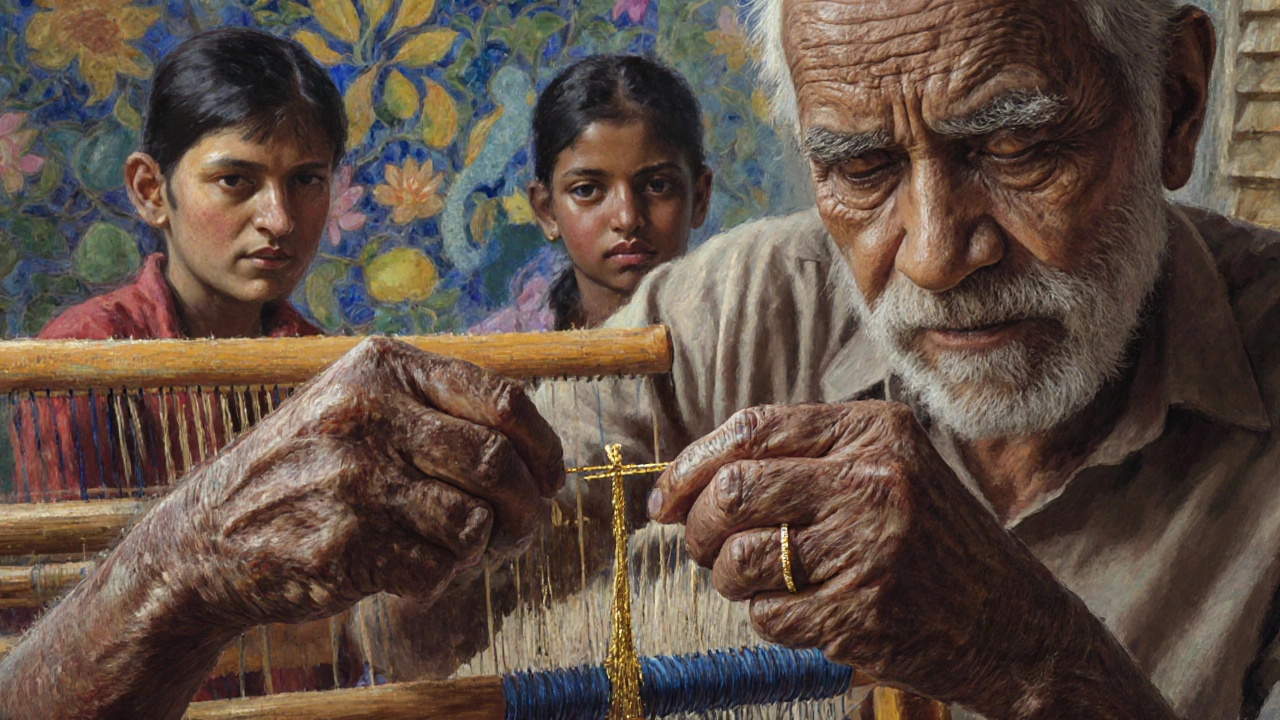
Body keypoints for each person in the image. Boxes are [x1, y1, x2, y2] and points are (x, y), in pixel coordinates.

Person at [6, 2, 1280, 720]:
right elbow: (413, 626)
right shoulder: (713, 320)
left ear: (1173, 102)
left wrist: (1033, 659)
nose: (935, 253)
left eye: (1016, 146)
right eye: (859, 167)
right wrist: (187, 569)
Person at [10, 27, 334, 503]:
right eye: (234, 180)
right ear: (152, 191)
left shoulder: (323, 368)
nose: (279, 220)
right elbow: (82, 571)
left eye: (306, 180)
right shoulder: (79, 363)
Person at [470, 54, 712, 333]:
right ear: (546, 210)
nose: (627, 218)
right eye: (587, 190)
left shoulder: (736, 341)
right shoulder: (495, 355)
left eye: (657, 186)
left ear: (700, 196)